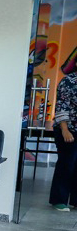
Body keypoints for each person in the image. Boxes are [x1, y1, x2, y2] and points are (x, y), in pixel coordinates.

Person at [51, 71, 77, 211]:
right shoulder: (68, 81)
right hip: (68, 129)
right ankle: (58, 200)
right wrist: (65, 129)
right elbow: (62, 107)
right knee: (67, 164)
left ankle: (75, 200)